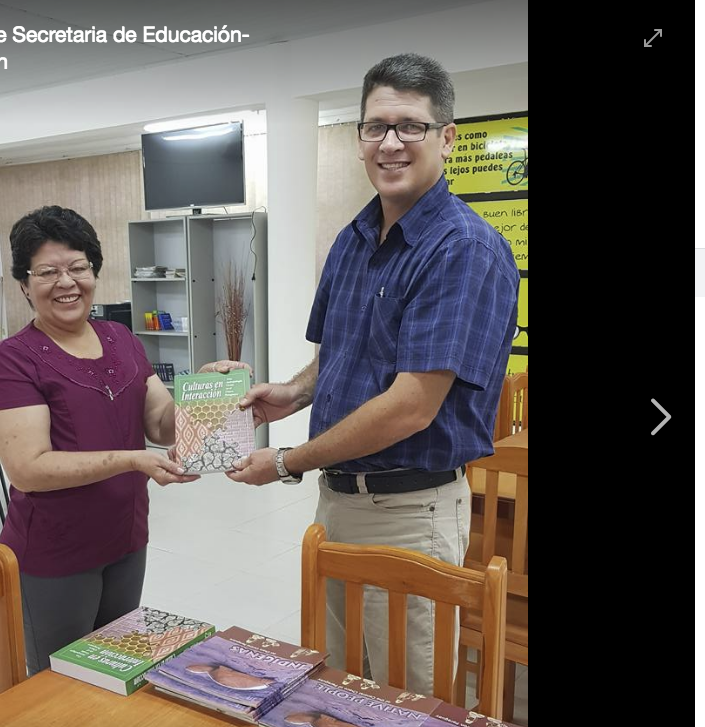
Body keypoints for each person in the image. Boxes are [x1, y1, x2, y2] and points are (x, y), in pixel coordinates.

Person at [205, 54, 519, 694]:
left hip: (411, 511)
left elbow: (411, 406)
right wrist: (290, 393)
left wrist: (289, 461)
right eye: (376, 126)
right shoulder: (355, 237)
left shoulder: (463, 249)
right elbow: (342, 355)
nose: (391, 142)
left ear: (447, 138)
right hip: (340, 501)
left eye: (411, 126)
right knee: (341, 683)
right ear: (359, 139)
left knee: (407, 696)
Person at [0, 205, 198, 675]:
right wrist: (131, 460)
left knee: (117, 671)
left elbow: (161, 420)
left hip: (126, 538)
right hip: (54, 552)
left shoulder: (121, 338)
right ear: (24, 284)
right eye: (47, 272)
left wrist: (208, 394)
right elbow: (29, 468)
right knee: (59, 686)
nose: (66, 282)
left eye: (78, 267)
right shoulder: (13, 360)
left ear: (94, 272)